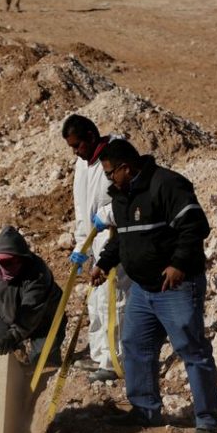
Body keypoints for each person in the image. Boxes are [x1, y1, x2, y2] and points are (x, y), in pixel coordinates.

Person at [89, 139, 217, 433]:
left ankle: (208, 420)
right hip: (143, 290)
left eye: (111, 173)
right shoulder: (122, 197)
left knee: (191, 349)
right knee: (135, 344)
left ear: (126, 167)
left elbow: (195, 226)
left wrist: (178, 264)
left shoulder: (166, 184)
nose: (109, 179)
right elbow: (123, 239)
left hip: (175, 286)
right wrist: (104, 264)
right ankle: (145, 410)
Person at [62, 114, 130, 383]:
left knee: (114, 301)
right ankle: (101, 354)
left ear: (91, 135)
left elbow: (126, 196)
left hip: (114, 237)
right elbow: (82, 210)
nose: (76, 152)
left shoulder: (114, 154)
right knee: (96, 302)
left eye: (77, 145)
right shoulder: (83, 165)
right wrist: (82, 246)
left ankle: (116, 360)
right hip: (94, 239)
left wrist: (108, 216)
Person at [0, 225, 65, 365]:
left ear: (21, 258)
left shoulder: (38, 274)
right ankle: (18, 349)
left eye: (8, 262)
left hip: (44, 320)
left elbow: (30, 311)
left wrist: (12, 336)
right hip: (8, 317)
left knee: (45, 364)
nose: (3, 266)